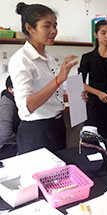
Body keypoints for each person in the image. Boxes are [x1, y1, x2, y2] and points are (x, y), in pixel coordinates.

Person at [8, 2, 78, 154]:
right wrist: (59, 79)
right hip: (37, 132)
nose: (53, 31)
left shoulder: (49, 57)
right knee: (40, 176)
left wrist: (74, 97)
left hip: (57, 126)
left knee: (60, 173)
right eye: (47, 26)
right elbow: (27, 106)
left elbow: (50, 93)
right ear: (29, 28)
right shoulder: (21, 59)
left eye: (55, 25)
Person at [0, 76, 20, 159]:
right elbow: (6, 135)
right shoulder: (7, 105)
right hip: (5, 148)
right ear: (11, 89)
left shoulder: (15, 100)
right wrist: (23, 139)